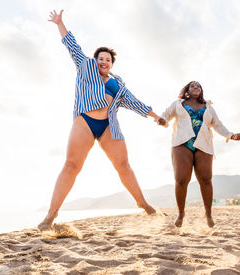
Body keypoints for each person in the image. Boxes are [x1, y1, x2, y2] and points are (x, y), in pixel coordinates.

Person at [38, 10, 160, 230]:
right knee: (71, 166)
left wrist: (155, 116)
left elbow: (133, 102)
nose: (103, 61)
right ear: (96, 60)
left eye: (108, 59)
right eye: (100, 58)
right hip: (84, 121)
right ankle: (50, 214)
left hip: (108, 126)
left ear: (112, 64)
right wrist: (60, 23)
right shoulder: (85, 66)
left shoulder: (117, 84)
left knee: (123, 166)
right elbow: (72, 45)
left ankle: (143, 203)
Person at [158, 81, 240, 228]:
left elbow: (217, 124)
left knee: (206, 179)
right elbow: (166, 115)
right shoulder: (178, 103)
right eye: (193, 86)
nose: (196, 87)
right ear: (187, 90)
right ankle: (181, 213)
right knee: (181, 179)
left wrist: (231, 135)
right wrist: (162, 120)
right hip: (182, 143)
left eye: (199, 86)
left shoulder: (208, 107)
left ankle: (208, 213)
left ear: (201, 91)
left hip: (204, 144)